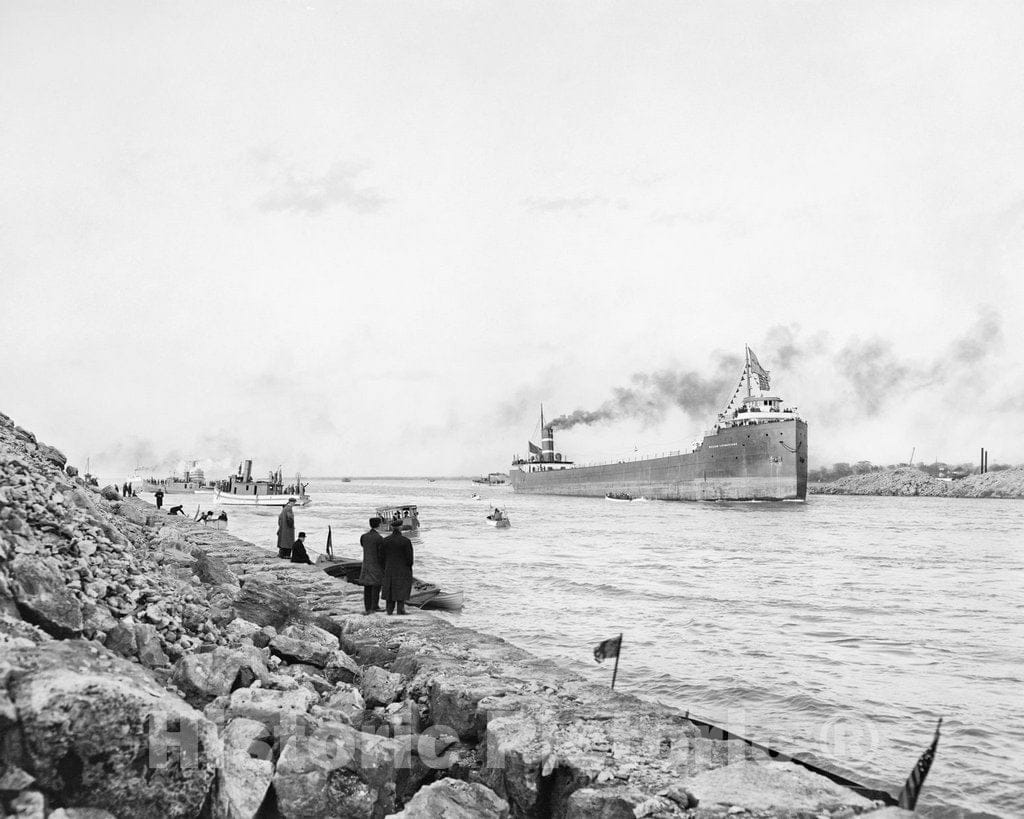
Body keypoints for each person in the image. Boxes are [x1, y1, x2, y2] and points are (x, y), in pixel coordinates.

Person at [381, 521, 414, 615]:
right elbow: (410, 559)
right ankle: (400, 610)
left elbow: (381, 557)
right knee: (401, 588)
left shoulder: (385, 540)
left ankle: (389, 610)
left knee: (390, 588)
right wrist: (408, 567)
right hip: (402, 569)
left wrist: (385, 566)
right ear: (401, 528)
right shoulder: (406, 541)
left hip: (389, 568)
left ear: (392, 528)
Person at [358, 517, 385, 615]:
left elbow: (363, 546)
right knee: (376, 586)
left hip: (366, 564)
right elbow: (381, 554)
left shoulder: (364, 536)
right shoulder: (379, 538)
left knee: (367, 587)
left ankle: (367, 607)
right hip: (376, 564)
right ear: (379, 525)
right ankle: (375, 606)